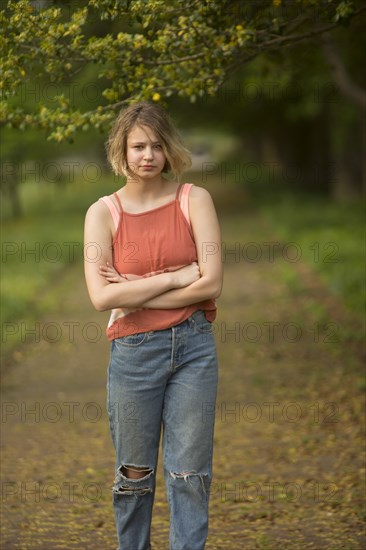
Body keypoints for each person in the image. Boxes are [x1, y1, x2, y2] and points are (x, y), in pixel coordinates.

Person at [84, 101, 223, 550]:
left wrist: (136, 288)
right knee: (134, 476)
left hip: (194, 349)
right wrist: (179, 276)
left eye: (157, 146)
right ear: (120, 151)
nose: (148, 155)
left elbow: (213, 283)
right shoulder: (102, 213)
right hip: (134, 354)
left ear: (169, 150)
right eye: (138, 146)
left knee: (189, 474)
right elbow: (102, 297)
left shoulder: (194, 199)